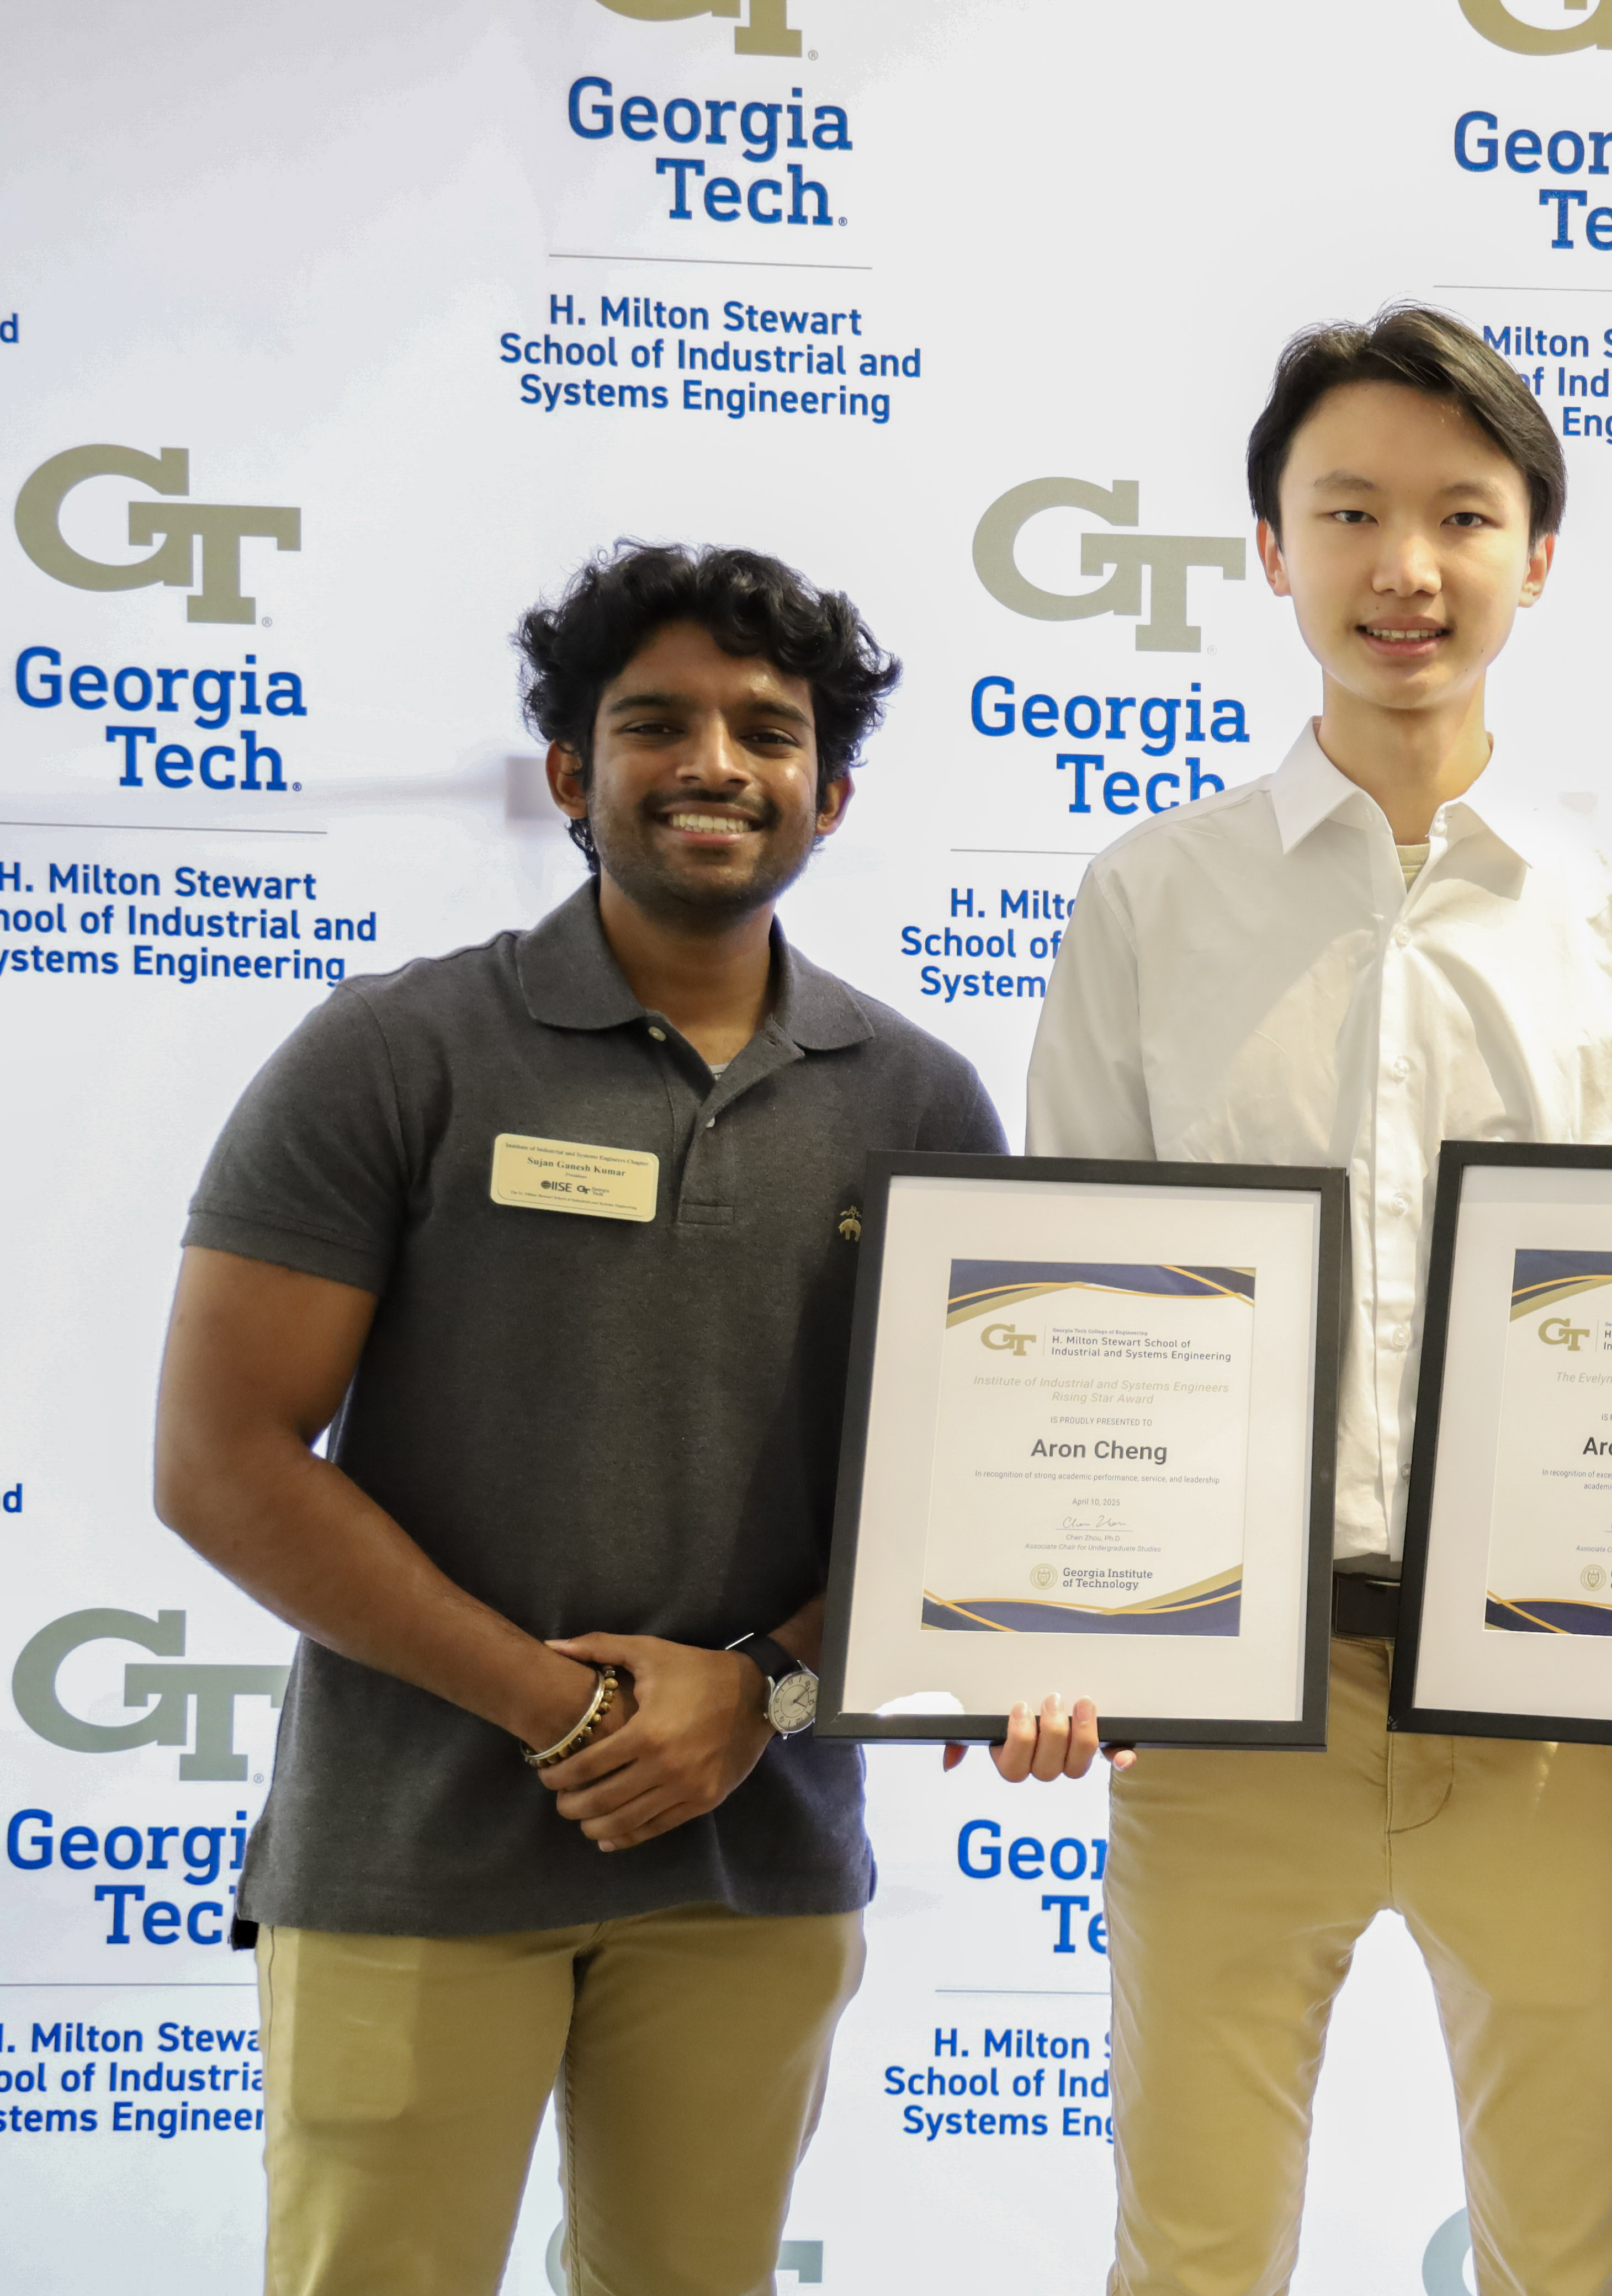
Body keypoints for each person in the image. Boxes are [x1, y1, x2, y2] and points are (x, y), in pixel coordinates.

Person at [151, 544, 1005, 2296]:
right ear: (569, 774)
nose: (715, 763)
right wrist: (573, 1711)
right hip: (412, 1862)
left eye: (769, 732)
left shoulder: (921, 1100)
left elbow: (965, 1496)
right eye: (655, 723)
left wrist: (756, 1696)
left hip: (752, 1871)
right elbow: (221, 1463)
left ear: (831, 795)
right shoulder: (395, 1053)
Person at [1001, 304, 1612, 2296]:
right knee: (1194, 2249)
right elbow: (1076, 1298)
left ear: (1536, 556)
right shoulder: (1150, 902)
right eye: (1352, 513)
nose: (1407, 569)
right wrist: (1064, 1615)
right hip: (1230, 1706)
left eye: (1463, 517)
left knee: (1578, 2248)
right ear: (1272, 548)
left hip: (1546, 1718)